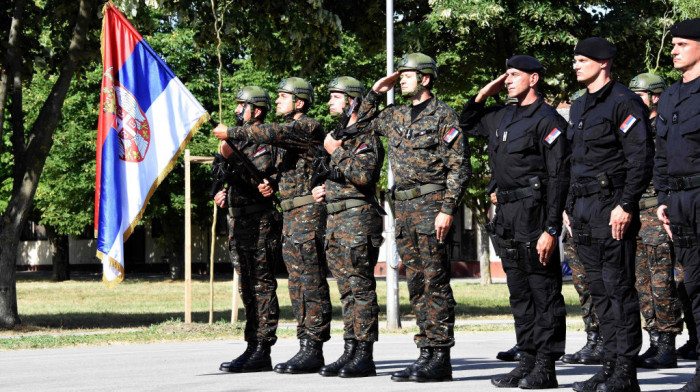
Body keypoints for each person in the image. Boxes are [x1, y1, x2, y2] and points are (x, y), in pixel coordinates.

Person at [358, 52, 471, 382]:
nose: (401, 78)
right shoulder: (394, 115)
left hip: (432, 205)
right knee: (417, 283)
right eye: (400, 74)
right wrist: (376, 92)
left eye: (408, 74)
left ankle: (440, 354)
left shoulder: (443, 115)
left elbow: (459, 166)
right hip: (404, 210)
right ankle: (425, 353)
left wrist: (448, 209)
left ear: (426, 79)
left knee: (435, 282)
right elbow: (359, 126)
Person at [460, 55, 569, 389]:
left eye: (514, 75)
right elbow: (465, 123)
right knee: (519, 293)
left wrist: (551, 229)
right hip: (506, 215)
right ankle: (527, 360)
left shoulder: (547, 119)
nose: (507, 80)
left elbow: (558, 176)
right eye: (504, 75)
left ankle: (546, 366)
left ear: (533, 79)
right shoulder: (502, 115)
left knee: (543, 290)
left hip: (534, 213)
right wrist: (483, 93)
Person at [214, 77, 332, 375]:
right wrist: (268, 184)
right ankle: (269, 347)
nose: (277, 101)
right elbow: (275, 172)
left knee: (309, 281)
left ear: (300, 102)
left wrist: (230, 133)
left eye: (283, 96)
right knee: (296, 283)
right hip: (291, 213)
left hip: (306, 212)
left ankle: (312, 348)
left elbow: (273, 134)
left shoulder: (307, 126)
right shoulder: (283, 139)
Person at [564, 37, 654, 392]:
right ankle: (610, 364)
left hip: (612, 206)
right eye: (575, 60)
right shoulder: (578, 106)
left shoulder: (623, 101)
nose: (575, 65)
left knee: (618, 290)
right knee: (598, 293)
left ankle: (625, 373)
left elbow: (640, 158)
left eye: (582, 60)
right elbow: (576, 162)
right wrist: (569, 206)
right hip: (583, 210)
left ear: (603, 63)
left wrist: (627, 204)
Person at [311, 76, 385, 378]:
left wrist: (335, 151)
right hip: (336, 219)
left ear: (353, 100)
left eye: (336, 97)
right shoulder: (339, 135)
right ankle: (350, 349)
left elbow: (364, 175)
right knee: (346, 292)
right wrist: (322, 188)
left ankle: (365, 355)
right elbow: (335, 175)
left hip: (358, 220)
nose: (330, 102)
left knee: (361, 288)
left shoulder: (367, 135)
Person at [214, 86, 282, 373]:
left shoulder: (266, 138)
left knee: (261, 285)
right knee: (245, 286)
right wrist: (218, 190)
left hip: (259, 221)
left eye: (243, 105)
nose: (237, 110)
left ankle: (263, 347)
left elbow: (261, 174)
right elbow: (218, 173)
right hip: (236, 221)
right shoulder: (233, 140)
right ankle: (251, 344)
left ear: (256, 110)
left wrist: (231, 155)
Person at [654, 17, 700, 392]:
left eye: (681, 44)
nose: (673, 51)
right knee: (693, 285)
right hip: (679, 203)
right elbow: (661, 153)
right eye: (673, 45)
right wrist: (664, 200)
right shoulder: (669, 96)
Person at [628, 73, 683, 369]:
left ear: (656, 97)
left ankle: (667, 345)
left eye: (640, 95)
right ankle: (653, 340)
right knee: (642, 283)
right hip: (636, 214)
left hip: (656, 213)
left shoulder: (661, 128)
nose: (634, 100)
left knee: (662, 283)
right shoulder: (634, 129)